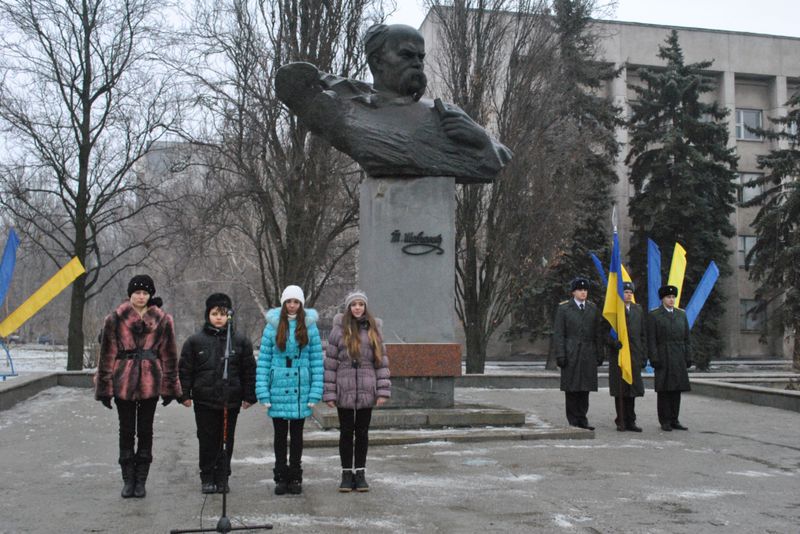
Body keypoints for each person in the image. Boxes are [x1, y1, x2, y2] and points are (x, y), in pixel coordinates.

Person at [275, 24, 512, 184]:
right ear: (377, 61)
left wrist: (480, 139)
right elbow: (291, 84)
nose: (418, 64)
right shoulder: (348, 113)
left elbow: (498, 163)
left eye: (421, 57)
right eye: (407, 56)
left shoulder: (445, 114)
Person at [94, 274, 181, 498]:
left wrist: (170, 385)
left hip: (151, 380)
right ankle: (128, 479)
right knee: (126, 431)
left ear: (150, 295)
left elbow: (169, 354)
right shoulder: (114, 319)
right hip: (123, 380)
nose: (141, 297)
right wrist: (104, 387)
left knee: (145, 431)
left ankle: (141, 480)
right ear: (129, 294)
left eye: (145, 293)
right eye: (137, 293)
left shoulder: (162, 320)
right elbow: (107, 354)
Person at [178, 293, 256, 494]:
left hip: (230, 400)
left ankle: (222, 476)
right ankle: (207, 476)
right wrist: (184, 394)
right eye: (214, 313)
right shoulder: (195, 341)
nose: (219, 318)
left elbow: (248, 370)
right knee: (206, 439)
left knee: (226, 439)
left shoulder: (240, 341)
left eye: (222, 313)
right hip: (204, 401)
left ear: (229, 316)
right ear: (208, 315)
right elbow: (185, 370)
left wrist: (249, 396)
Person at [255, 285, 324, 495]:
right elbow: (264, 361)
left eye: (296, 302)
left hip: (300, 387)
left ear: (301, 304)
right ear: (283, 303)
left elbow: (316, 362)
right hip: (278, 386)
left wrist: (315, 392)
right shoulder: (272, 327)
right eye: (289, 302)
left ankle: (295, 475)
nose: (292, 305)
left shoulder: (310, 327)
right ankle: (280, 476)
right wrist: (263, 392)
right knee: (279, 435)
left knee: (296, 435)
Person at [323, 290, 391, 492]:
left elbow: (381, 362)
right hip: (344, 387)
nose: (357, 308)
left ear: (365, 307)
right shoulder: (338, 331)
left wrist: (382, 391)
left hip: (366, 387)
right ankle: (346, 473)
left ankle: (360, 473)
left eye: (361, 304)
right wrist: (329, 393)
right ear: (348, 308)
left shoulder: (374, 330)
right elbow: (330, 364)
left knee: (362, 433)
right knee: (345, 432)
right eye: (354, 305)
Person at [552, 277, 605, 430]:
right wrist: (560, 354)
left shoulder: (592, 308)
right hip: (571, 351)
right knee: (572, 387)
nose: (583, 292)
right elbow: (559, 334)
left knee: (585, 388)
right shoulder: (564, 309)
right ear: (573, 291)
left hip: (588, 352)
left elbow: (597, 333)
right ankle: (573, 419)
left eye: (585, 290)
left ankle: (583, 418)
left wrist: (599, 353)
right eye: (580, 290)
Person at [648, 285, 692, 432]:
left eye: (673, 297)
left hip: (678, 355)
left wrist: (688, 356)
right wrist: (654, 357)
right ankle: (664, 420)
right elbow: (652, 339)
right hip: (663, 355)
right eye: (668, 297)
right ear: (662, 299)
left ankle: (675, 419)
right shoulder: (654, 315)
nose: (671, 300)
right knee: (664, 390)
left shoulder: (681, 315)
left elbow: (687, 338)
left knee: (676, 389)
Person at [607, 281, 646, 432]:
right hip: (619, 356)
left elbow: (643, 334)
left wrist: (644, 355)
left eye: (630, 292)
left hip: (634, 355)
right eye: (625, 292)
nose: (628, 294)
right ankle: (621, 420)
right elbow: (604, 332)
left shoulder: (638, 310)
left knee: (632, 390)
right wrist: (612, 342)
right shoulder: (614, 311)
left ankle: (631, 421)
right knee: (620, 390)